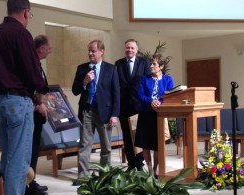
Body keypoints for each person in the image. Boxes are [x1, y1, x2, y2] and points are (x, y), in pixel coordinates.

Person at [0, 1, 48, 195]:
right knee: (19, 162)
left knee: (8, 158)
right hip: (18, 103)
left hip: (0, 101)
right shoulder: (20, 34)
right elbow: (31, 69)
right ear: (27, 13)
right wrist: (41, 92)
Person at [72, 40, 120, 184]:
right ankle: (83, 176)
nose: (90, 53)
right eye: (89, 50)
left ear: (101, 51)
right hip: (86, 111)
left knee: (106, 146)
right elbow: (75, 90)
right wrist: (85, 82)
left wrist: (115, 114)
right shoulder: (82, 69)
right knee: (84, 145)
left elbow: (116, 93)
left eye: (93, 51)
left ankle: (104, 175)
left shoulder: (111, 69)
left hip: (104, 112)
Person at [135, 54, 174, 177]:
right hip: (145, 114)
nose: (151, 66)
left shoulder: (168, 80)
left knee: (157, 145)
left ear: (161, 66)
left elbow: (169, 96)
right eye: (150, 63)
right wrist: (151, 101)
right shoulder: (144, 79)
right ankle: (150, 169)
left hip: (159, 115)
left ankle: (156, 169)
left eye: (154, 64)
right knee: (145, 144)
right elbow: (140, 95)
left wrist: (159, 102)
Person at [115, 39, 150, 170]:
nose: (129, 50)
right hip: (124, 106)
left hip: (139, 105)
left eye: (132, 48)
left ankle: (140, 163)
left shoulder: (144, 62)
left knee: (138, 135)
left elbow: (147, 83)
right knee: (127, 137)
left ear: (137, 50)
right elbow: (116, 86)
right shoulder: (118, 64)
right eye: (128, 48)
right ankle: (131, 163)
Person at [24, 35, 51, 195]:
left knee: (34, 150)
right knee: (30, 150)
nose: (50, 50)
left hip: (36, 115)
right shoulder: (31, 63)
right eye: (49, 47)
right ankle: (27, 184)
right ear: (41, 49)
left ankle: (31, 181)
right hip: (31, 113)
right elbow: (31, 88)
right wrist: (38, 103)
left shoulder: (36, 63)